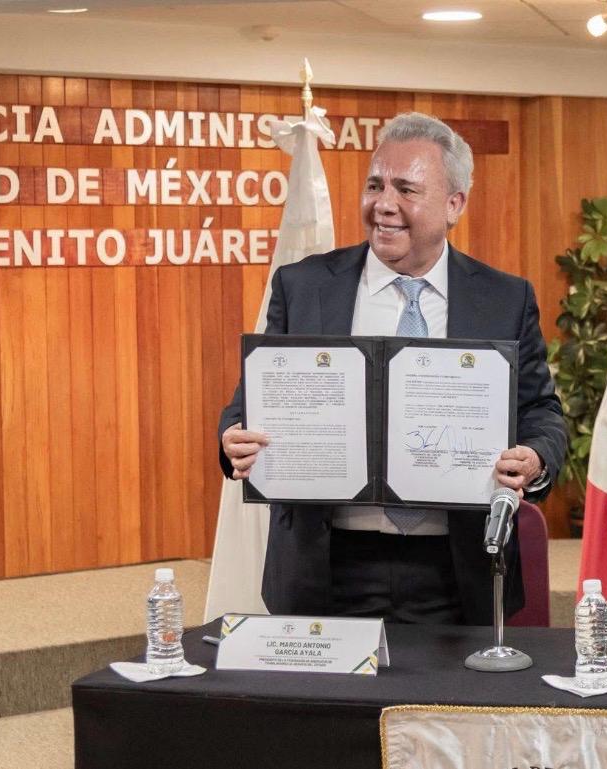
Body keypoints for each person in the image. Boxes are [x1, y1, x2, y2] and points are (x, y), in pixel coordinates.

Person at [217, 112, 566, 625]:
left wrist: (534, 457)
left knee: (447, 684)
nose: (383, 204)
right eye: (375, 185)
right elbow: (248, 406)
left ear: (454, 204)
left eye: (406, 189)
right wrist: (233, 437)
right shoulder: (304, 287)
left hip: (455, 567)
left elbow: (541, 413)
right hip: (328, 564)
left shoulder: (504, 299)